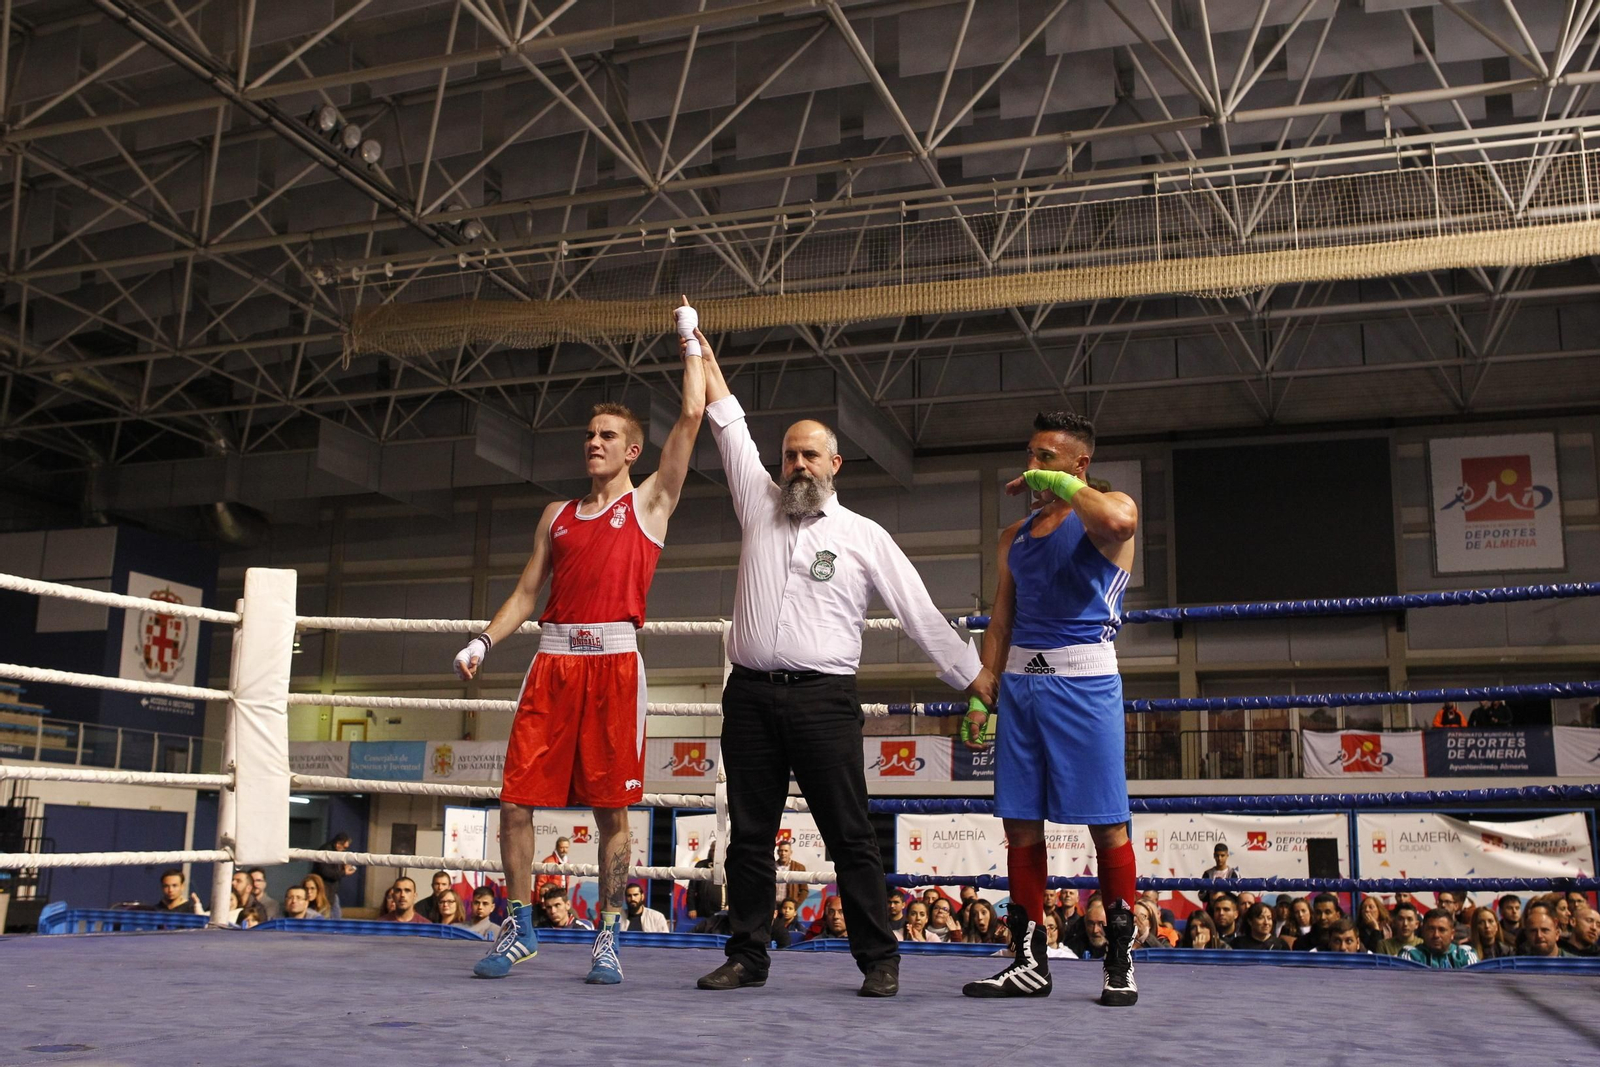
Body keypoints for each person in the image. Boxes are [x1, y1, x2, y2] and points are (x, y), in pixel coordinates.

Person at [689, 326, 993, 1000]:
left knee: (850, 834)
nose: (797, 464)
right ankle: (747, 956)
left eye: (810, 455)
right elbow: (725, 418)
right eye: (790, 454)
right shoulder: (757, 504)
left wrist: (976, 678)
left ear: (835, 465)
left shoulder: (863, 537)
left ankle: (879, 959)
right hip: (748, 695)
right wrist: (699, 348)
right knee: (748, 837)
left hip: (824, 699)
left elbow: (917, 612)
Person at [457, 331, 704, 985]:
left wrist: (690, 344)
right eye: (587, 434)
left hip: (615, 667)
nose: (592, 441)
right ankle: (518, 926)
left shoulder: (649, 502)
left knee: (611, 812)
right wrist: (484, 639)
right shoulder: (556, 515)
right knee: (515, 802)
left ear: (631, 449)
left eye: (605, 434)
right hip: (552, 662)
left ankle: (609, 937)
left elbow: (692, 416)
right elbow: (524, 592)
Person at [960, 411, 1139, 1004]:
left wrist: (1064, 488)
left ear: (1079, 464)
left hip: (1085, 688)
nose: (1032, 467)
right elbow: (1002, 616)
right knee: (1019, 822)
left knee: (1107, 824)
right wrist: (985, 690)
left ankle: (1118, 958)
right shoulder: (1013, 536)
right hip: (1021, 686)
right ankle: (1028, 960)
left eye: (1046, 458)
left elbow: (1119, 517)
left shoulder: (1106, 517)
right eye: (1030, 455)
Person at [1401, 909, 1478, 968]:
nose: (1436, 935)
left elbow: (1476, 983)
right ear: (1422, 931)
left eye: (1442, 930)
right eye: (1431, 929)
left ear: (1452, 934)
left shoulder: (1465, 954)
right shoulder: (1410, 954)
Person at [310, 832, 356, 914]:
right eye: (344, 847)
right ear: (338, 844)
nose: (344, 850)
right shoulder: (326, 851)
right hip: (324, 890)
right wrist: (343, 872)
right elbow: (325, 871)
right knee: (326, 914)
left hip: (331, 890)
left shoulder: (335, 852)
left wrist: (342, 866)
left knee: (335, 914)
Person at [534, 837, 572, 907]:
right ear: (557, 847)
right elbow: (540, 884)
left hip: (560, 897)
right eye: (562, 847)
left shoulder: (566, 862)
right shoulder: (548, 862)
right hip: (550, 899)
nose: (564, 850)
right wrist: (539, 902)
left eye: (566, 847)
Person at [773, 839, 807, 909]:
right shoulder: (771, 867)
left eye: (786, 851)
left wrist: (795, 906)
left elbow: (804, 890)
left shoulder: (799, 868)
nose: (783, 853)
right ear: (777, 852)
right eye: (781, 850)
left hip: (789, 908)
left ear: (790, 852)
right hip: (773, 906)